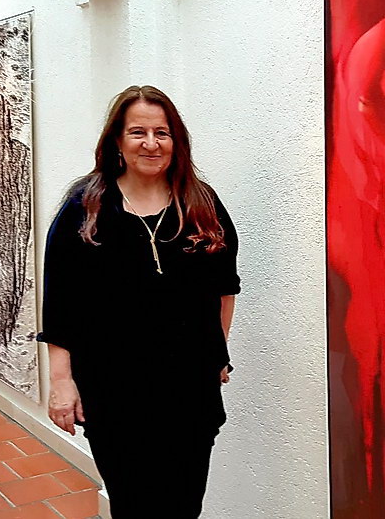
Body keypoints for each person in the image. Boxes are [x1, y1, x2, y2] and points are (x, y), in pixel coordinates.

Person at [36, 85, 240, 519]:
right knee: (134, 505)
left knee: (184, 505)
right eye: (138, 132)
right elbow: (61, 305)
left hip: (189, 391)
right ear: (117, 140)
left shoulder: (201, 204)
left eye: (162, 133)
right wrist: (62, 383)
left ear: (176, 141)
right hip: (113, 391)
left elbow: (224, 288)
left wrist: (216, 352)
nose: (151, 143)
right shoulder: (84, 209)